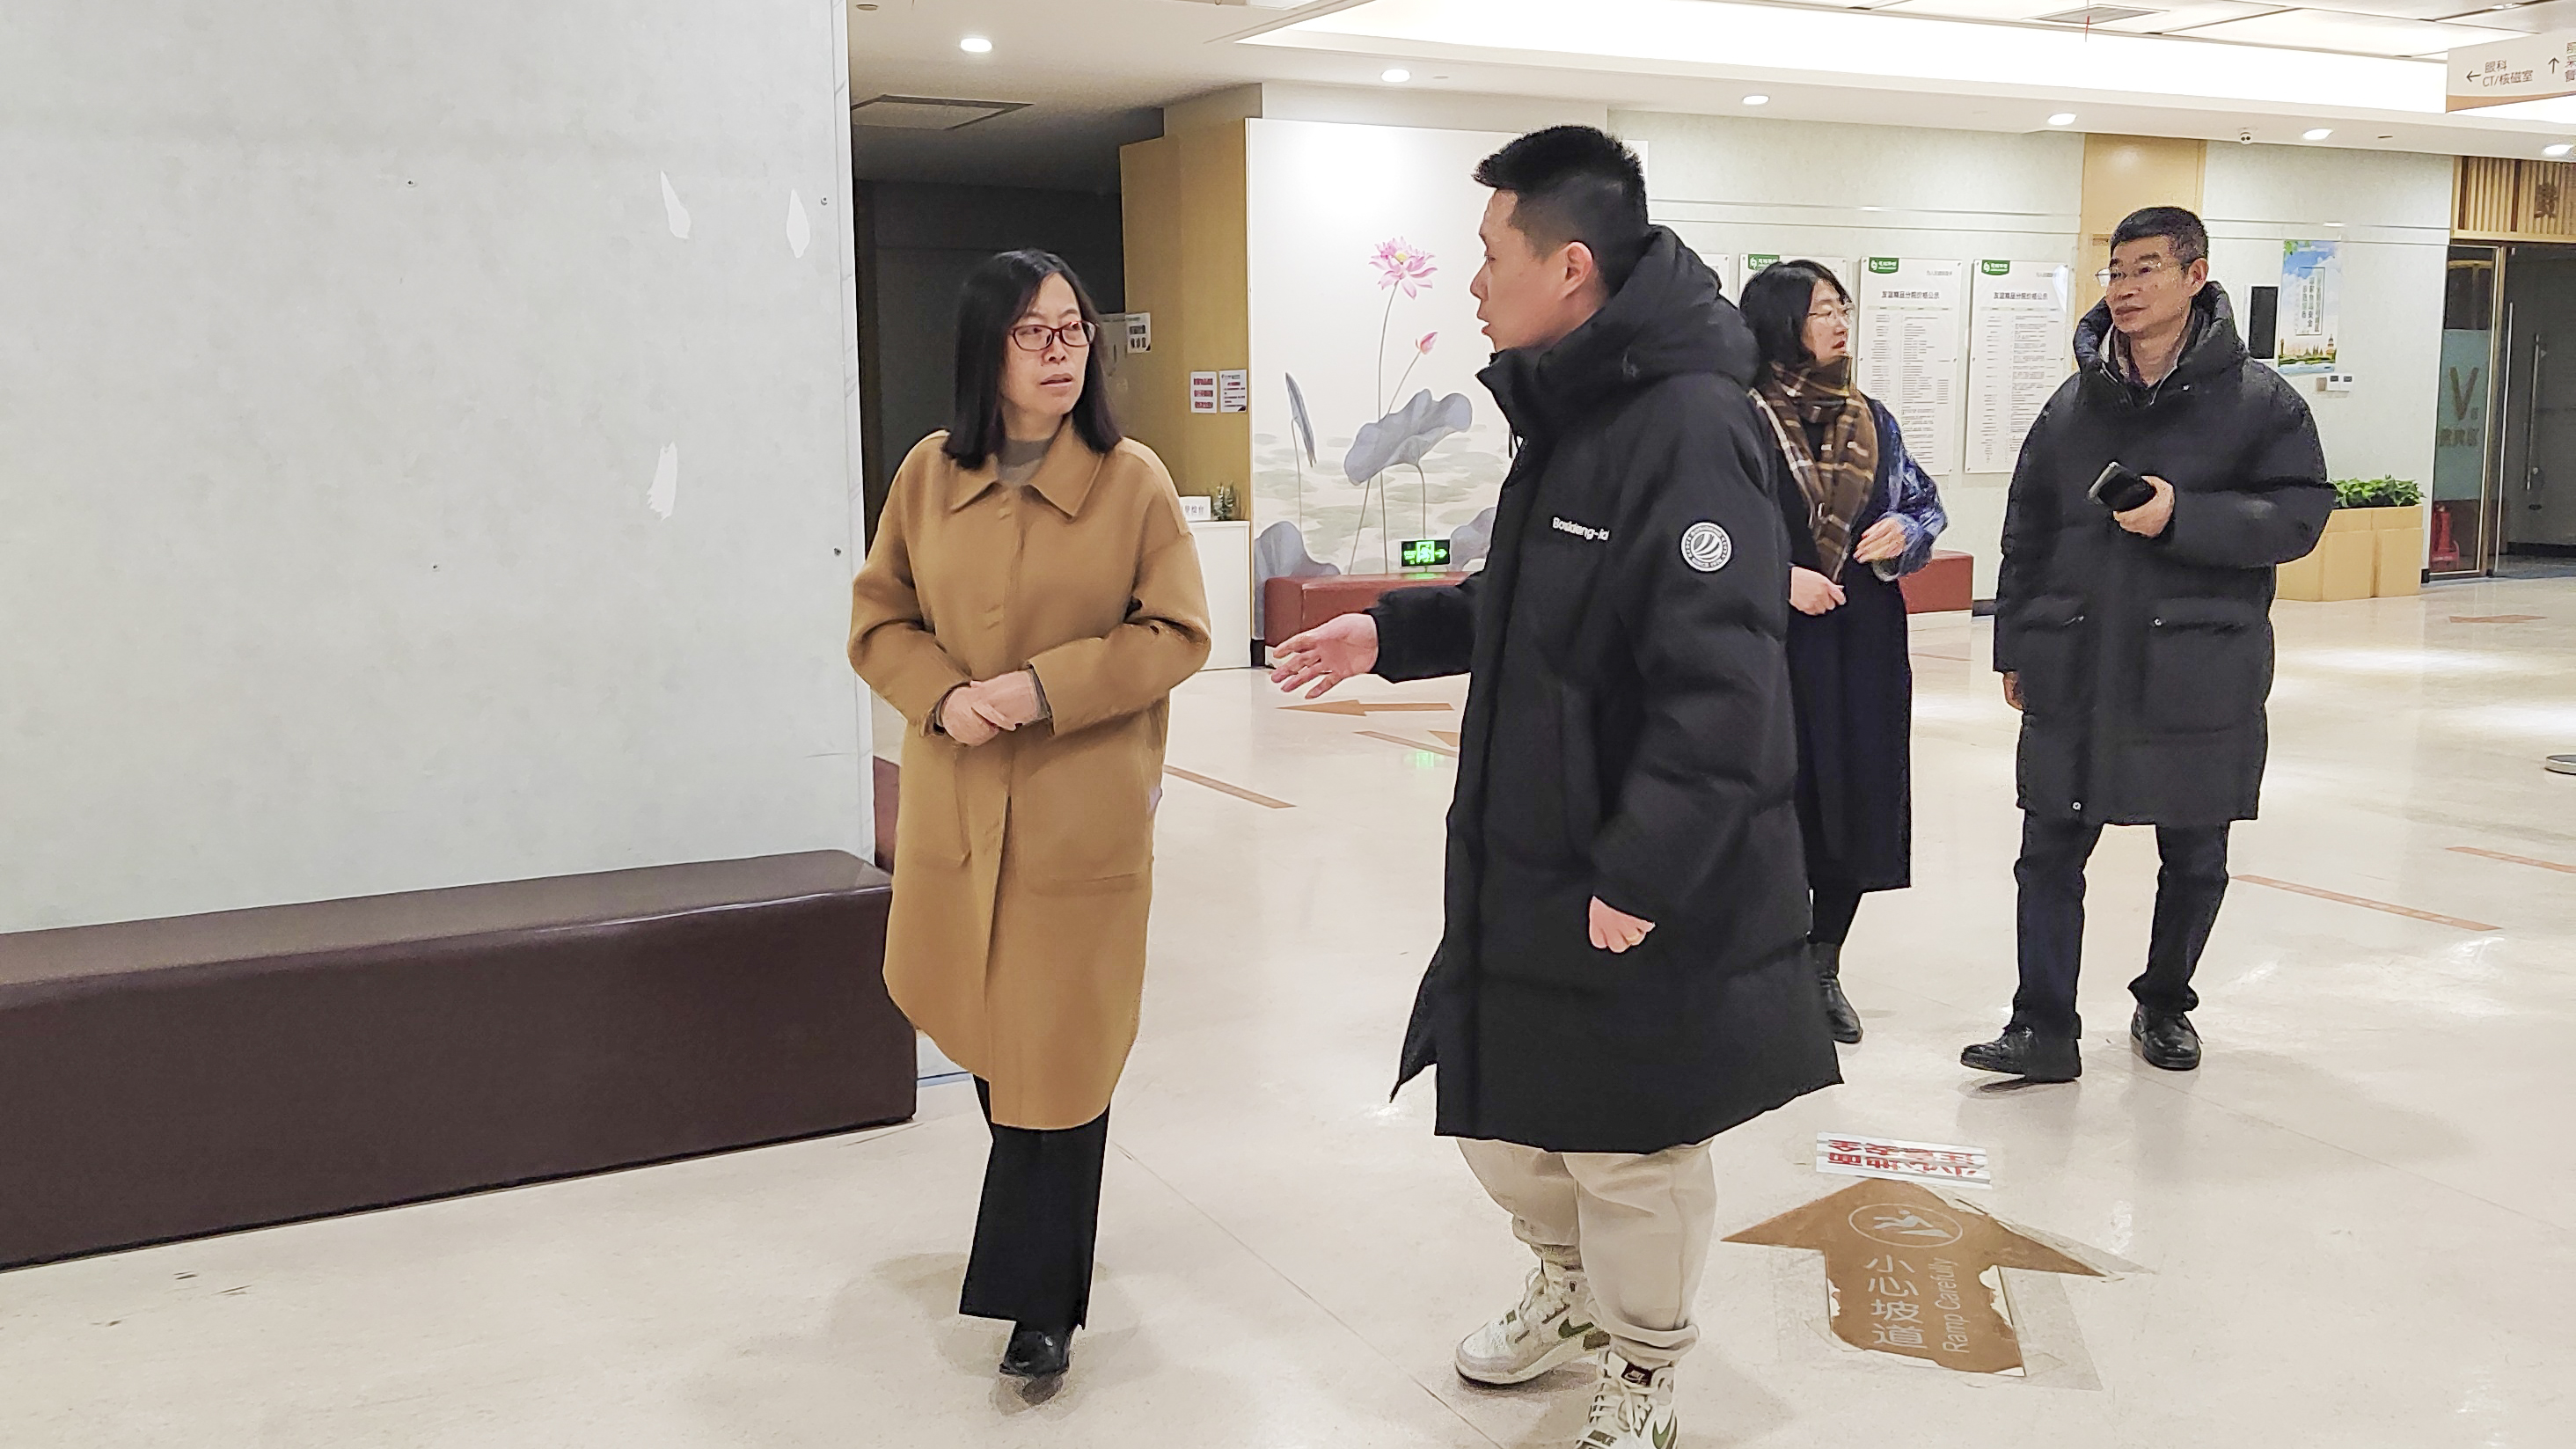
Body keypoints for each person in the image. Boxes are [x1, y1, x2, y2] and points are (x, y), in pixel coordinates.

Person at [1270, 126, 1837, 1449]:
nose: (1474, 282)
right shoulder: (1572, 406)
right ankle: (1571, 1289)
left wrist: (1642, 871)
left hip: (1637, 863)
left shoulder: (1689, 426)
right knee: (1508, 1103)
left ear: (1570, 266)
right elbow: (1527, 596)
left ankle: (1645, 1363)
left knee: (1635, 1137)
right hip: (1529, 840)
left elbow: (1722, 691)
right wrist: (1388, 633)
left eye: (1490, 254)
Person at [846, 249, 1211, 1381]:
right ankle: (1044, 1263)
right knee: (995, 1041)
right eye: (1034, 333)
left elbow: (1177, 632)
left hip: (1074, 812)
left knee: (1063, 1053)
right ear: (985, 349)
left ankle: (1039, 1301)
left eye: (1073, 330)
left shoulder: (1133, 481)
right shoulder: (926, 475)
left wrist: (1044, 688)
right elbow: (880, 620)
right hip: (958, 808)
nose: (1062, 352)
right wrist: (944, 696)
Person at [1965, 206, 2329, 1083]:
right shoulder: (2072, 404)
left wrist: (2182, 515)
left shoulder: (2261, 403)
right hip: (2076, 657)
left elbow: (2299, 516)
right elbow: (2027, 530)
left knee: (2195, 854)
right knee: (2048, 849)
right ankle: (2041, 1026)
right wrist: (2015, 641)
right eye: (2115, 272)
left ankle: (2164, 1003)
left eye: (2145, 270)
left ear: (2195, 276)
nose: (2124, 290)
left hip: (2197, 663)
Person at [1739, 260, 1949, 1045]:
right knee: (1773, 797)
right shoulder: (1737, 415)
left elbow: (1922, 502)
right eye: (1820, 310)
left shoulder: (1871, 417)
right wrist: (1776, 577)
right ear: (1779, 323)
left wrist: (1908, 530)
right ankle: (1761, 966)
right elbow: (1702, 532)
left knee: (1856, 796)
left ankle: (1822, 965)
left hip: (1861, 634)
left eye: (1840, 307)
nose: (1837, 322)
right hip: (1768, 638)